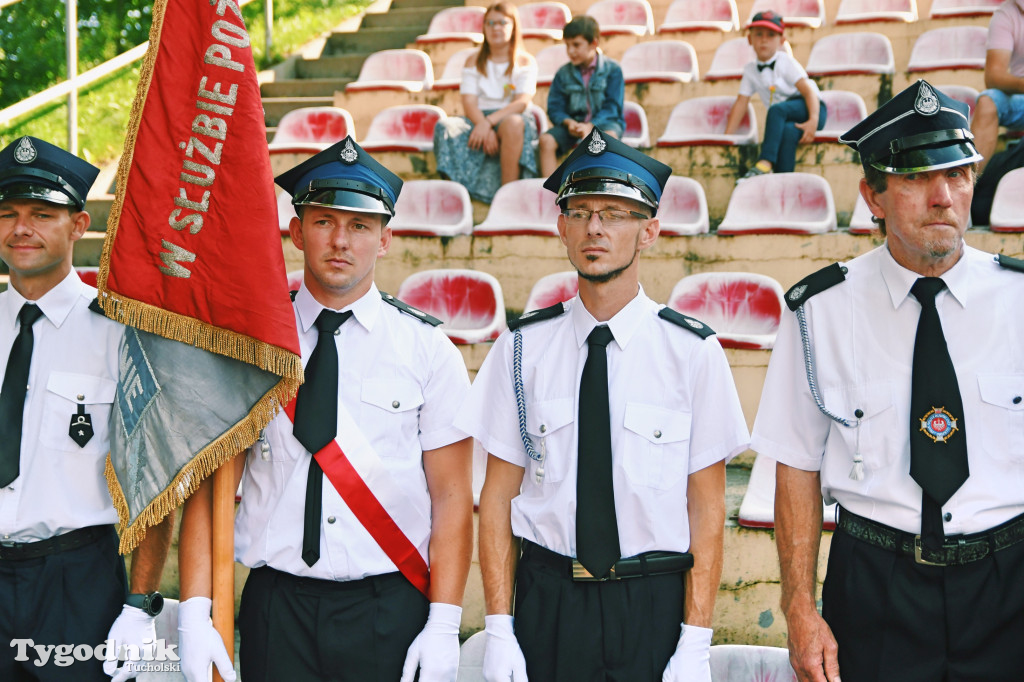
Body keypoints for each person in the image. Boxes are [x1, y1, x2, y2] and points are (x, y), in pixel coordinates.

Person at [753, 79, 1024, 682]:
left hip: (1009, 581)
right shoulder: (817, 312)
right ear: (872, 197)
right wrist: (799, 604)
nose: (943, 197)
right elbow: (795, 466)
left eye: (957, 175)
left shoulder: (1020, 299)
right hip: (877, 583)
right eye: (916, 178)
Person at [176, 136, 474, 682]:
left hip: (389, 605)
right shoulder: (250, 346)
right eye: (323, 222)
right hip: (275, 605)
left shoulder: (429, 351)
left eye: (360, 226)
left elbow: (452, 496)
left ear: (385, 239)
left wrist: (444, 621)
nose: (341, 241)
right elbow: (210, 485)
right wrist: (195, 610)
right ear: (296, 232)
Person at [458, 128, 750, 682]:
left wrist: (695, 640)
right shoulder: (519, 349)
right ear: (561, 227)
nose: (595, 227)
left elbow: (708, 508)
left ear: (650, 232)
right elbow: (497, 496)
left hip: (652, 603)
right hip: (548, 603)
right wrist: (499, 626)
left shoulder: (693, 352)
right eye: (581, 211)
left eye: (615, 213)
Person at [0, 136, 174, 681]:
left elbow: (155, 480)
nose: (20, 228)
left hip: (75, 581)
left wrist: (140, 602)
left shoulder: (120, 333)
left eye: (42, 214)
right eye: (7, 213)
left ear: (79, 225)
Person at [433, 1, 539, 203]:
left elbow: (521, 102)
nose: (495, 28)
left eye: (502, 22)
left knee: (514, 124)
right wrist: (482, 123)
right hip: (478, 117)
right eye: (490, 23)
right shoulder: (473, 61)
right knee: (445, 126)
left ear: (513, 26)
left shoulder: (525, 62)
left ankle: (507, 199)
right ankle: (458, 198)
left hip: (510, 116)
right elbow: (469, 101)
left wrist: (489, 123)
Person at [724, 10, 825, 180]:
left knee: (777, 110)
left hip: (811, 108)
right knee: (788, 133)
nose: (764, 39)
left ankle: (765, 161)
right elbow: (742, 102)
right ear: (750, 39)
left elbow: (809, 92)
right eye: (759, 34)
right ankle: (782, 180)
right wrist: (727, 138)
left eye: (771, 35)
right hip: (787, 118)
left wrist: (813, 120)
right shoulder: (750, 70)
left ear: (781, 40)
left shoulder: (785, 62)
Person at [538, 15, 625, 177]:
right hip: (573, 127)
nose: (571, 51)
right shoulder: (563, 73)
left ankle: (603, 186)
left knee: (609, 138)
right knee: (546, 140)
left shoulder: (612, 70)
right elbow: (555, 108)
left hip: (605, 124)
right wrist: (568, 122)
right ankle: (551, 195)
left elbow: (612, 108)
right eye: (568, 45)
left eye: (576, 45)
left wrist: (591, 125)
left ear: (594, 43)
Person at [972, 0, 1024, 174]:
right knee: (988, 101)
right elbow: (993, 76)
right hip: (1021, 93)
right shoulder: (1007, 14)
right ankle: (968, 188)